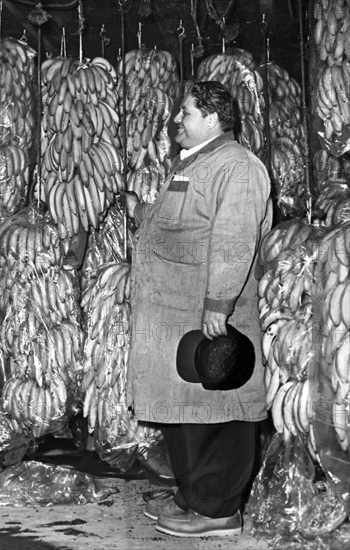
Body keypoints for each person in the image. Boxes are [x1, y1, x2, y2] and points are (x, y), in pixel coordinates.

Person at [123, 80, 273, 538]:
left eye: (184, 113)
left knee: (217, 411)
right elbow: (184, 223)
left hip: (205, 316)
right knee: (186, 416)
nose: (175, 121)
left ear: (212, 119)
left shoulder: (237, 167)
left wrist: (218, 304)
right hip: (173, 317)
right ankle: (194, 496)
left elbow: (234, 237)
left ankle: (218, 511)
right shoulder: (196, 163)